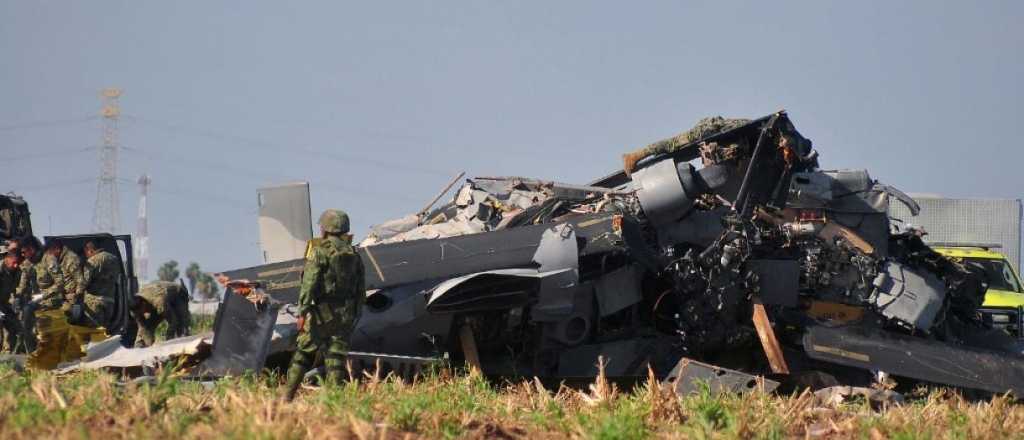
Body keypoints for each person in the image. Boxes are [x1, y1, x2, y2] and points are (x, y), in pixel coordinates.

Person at [283, 209, 365, 401]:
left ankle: (286, 397)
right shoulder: (354, 254)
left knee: (303, 354)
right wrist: (355, 313)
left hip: (321, 314)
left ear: (326, 229)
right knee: (336, 357)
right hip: (345, 315)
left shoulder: (320, 253)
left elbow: (309, 283)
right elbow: (361, 290)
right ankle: (335, 401)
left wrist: (302, 312)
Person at [131, 280, 191, 347]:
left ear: (144, 304)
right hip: (156, 300)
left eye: (141, 311)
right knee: (148, 326)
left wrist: (169, 339)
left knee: (181, 324)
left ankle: (182, 343)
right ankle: (140, 346)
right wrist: (146, 343)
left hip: (178, 294)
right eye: (138, 312)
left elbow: (173, 321)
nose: (142, 313)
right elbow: (143, 327)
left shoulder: (159, 302)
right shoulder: (135, 307)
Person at [13, 236, 42, 352]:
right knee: (25, 318)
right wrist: (18, 296)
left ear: (32, 249)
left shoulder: (47, 259)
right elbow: (23, 282)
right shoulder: (27, 264)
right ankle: (31, 352)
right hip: (36, 298)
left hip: (51, 296)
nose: (23, 255)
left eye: (24, 252)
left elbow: (60, 283)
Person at [82, 241, 119, 326]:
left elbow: (84, 282)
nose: (86, 256)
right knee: (105, 330)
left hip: (94, 302)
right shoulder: (114, 258)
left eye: (86, 253)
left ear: (90, 250)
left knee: (93, 331)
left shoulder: (92, 261)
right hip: (110, 301)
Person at [0, 251, 24, 352]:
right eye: (14, 262)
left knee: (16, 328)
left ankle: (11, 355)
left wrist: (16, 299)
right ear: (7, 259)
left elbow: (18, 287)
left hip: (5, 303)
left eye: (17, 262)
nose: (16, 265)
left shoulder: (17, 270)